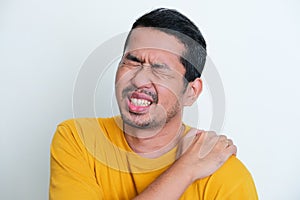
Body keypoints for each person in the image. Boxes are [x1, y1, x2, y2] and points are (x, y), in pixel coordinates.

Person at [49, 8, 258, 199]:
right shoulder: (78, 139)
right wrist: (185, 169)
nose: (139, 80)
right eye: (133, 61)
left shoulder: (224, 173)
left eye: (160, 68)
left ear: (191, 92)